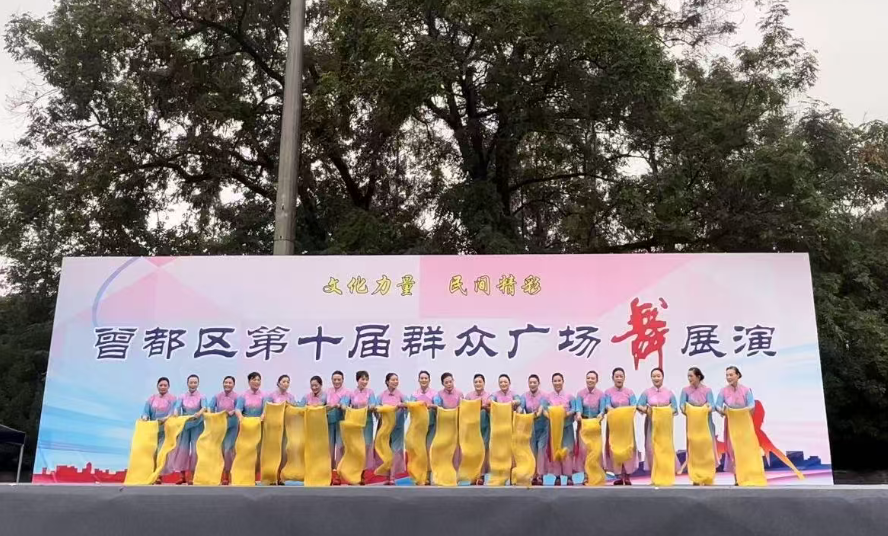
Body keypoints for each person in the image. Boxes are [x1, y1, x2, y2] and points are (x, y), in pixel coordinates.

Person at [715, 366, 755, 485]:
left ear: (738, 375)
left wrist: (742, 412)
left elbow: (752, 405)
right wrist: (723, 411)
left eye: (731, 375)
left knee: (745, 450)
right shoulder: (723, 391)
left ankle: (747, 476)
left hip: (744, 424)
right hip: (731, 424)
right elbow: (717, 405)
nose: (728, 377)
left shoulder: (746, 390)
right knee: (733, 450)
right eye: (727, 375)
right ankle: (737, 478)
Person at [636, 367, 679, 480]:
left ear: (663, 377)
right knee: (651, 447)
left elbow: (675, 409)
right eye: (654, 376)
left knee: (665, 448)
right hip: (651, 424)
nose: (656, 378)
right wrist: (647, 410)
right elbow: (639, 405)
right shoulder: (646, 392)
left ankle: (666, 474)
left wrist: (664, 412)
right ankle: (654, 475)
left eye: (658, 376)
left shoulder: (669, 393)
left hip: (665, 425)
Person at [679, 367, 717, 485]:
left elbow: (712, 406)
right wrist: (688, 410)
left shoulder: (707, 390)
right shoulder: (685, 390)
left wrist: (703, 410)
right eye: (688, 376)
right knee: (693, 450)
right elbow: (682, 406)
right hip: (692, 425)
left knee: (706, 450)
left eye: (691, 376)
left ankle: (707, 476)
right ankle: (695, 476)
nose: (689, 378)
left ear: (698, 376)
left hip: (706, 424)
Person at [340, 370, 376, 485]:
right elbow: (343, 405)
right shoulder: (351, 393)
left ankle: (362, 474)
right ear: (357, 380)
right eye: (362, 379)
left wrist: (368, 407)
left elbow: (373, 405)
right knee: (355, 448)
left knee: (365, 448)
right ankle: (352, 474)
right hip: (355, 426)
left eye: (366, 379)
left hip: (367, 423)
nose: (364, 381)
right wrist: (347, 408)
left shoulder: (370, 392)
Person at [169, 374, 207, 485]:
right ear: (187, 383)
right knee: (182, 450)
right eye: (191, 382)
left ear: (198, 384)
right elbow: (177, 407)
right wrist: (176, 413)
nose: (193, 384)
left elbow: (204, 407)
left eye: (195, 382)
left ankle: (193, 476)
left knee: (195, 450)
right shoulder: (182, 396)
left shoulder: (202, 396)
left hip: (198, 424)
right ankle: (182, 476)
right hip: (185, 425)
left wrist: (198, 413)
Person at [604, 367, 638, 485]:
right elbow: (607, 406)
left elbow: (634, 406)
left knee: (628, 448)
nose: (619, 378)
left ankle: (627, 475)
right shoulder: (608, 392)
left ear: (624, 378)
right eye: (616, 376)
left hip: (626, 426)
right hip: (614, 426)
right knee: (614, 448)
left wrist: (623, 414)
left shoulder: (629, 392)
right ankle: (618, 475)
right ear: (612, 378)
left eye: (621, 376)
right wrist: (616, 413)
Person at [140, 377, 177, 484]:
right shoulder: (151, 399)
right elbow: (145, 412)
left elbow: (174, 412)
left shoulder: (173, 399)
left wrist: (166, 419)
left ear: (168, 387)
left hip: (166, 429)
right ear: (157, 386)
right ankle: (151, 473)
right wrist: (145, 417)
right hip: (152, 430)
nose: (163, 387)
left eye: (165, 385)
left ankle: (158, 475)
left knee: (161, 452)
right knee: (152, 452)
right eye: (161, 385)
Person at [543, 372, 576, 486]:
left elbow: (574, 409)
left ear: (563, 381)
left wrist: (566, 414)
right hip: (554, 429)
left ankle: (569, 476)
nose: (557, 383)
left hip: (566, 428)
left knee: (568, 451)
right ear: (552, 382)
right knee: (555, 450)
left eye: (559, 380)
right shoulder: (548, 397)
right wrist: (551, 417)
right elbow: (544, 410)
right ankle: (557, 476)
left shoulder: (570, 396)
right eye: (555, 381)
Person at [574, 370, 606, 485]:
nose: (590, 380)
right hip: (584, 425)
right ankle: (586, 476)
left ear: (597, 380)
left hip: (595, 426)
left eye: (592, 378)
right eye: (588, 378)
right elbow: (578, 408)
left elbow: (602, 410)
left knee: (595, 451)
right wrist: (578, 415)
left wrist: (601, 415)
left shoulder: (601, 394)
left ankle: (597, 476)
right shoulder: (580, 394)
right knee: (584, 451)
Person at [376, 372, 408, 485]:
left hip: (397, 426)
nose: (395, 382)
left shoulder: (401, 395)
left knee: (395, 450)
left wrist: (402, 406)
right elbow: (376, 409)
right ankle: (387, 476)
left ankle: (392, 477)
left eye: (396, 380)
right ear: (387, 382)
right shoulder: (381, 396)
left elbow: (408, 406)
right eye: (393, 380)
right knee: (386, 450)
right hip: (384, 427)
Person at [208, 376, 239, 485]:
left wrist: (233, 412)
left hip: (232, 426)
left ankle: (227, 474)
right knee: (218, 451)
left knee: (228, 449)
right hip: (219, 427)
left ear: (233, 385)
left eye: (230, 383)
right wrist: (211, 415)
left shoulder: (237, 397)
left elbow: (239, 408)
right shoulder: (217, 396)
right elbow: (210, 407)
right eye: (226, 382)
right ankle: (217, 475)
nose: (227, 384)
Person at [521, 374, 548, 486]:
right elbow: (521, 407)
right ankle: (533, 475)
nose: (532, 384)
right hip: (530, 428)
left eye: (534, 382)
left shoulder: (544, 396)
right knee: (532, 451)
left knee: (541, 449)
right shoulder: (524, 396)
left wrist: (536, 414)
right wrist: (518, 412)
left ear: (538, 383)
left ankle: (540, 475)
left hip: (543, 427)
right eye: (530, 383)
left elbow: (541, 409)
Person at [411, 370, 437, 485]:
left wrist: (430, 406)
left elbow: (437, 406)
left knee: (429, 449)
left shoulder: (434, 394)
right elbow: (410, 407)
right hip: (418, 427)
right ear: (418, 380)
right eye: (422, 378)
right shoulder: (414, 394)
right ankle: (420, 476)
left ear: (429, 380)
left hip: (431, 425)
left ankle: (429, 475)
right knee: (419, 451)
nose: (424, 380)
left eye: (426, 378)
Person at [464, 373, 491, 485]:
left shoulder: (489, 396)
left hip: (485, 427)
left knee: (483, 451)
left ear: (484, 383)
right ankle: (472, 475)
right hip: (472, 428)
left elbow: (492, 409)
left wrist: (485, 407)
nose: (478, 384)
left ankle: (481, 475)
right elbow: (464, 409)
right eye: (476, 382)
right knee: (472, 451)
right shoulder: (469, 396)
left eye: (480, 382)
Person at [325, 370, 349, 484]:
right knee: (329, 449)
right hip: (329, 422)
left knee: (340, 448)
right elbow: (323, 404)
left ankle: (338, 476)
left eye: (339, 379)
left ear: (343, 380)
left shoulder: (346, 392)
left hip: (341, 422)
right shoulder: (327, 392)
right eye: (334, 379)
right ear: (331, 380)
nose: (337, 381)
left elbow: (345, 405)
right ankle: (328, 475)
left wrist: (340, 405)